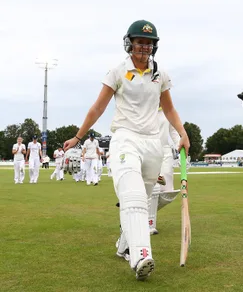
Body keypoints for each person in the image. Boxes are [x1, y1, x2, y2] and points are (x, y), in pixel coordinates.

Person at [63, 19, 190, 281]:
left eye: (148, 43)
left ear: (154, 46)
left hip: (152, 143)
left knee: (141, 201)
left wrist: (183, 133)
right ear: (129, 43)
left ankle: (124, 245)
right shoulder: (118, 72)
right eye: (140, 42)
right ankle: (141, 255)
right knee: (132, 197)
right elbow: (98, 107)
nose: (144, 47)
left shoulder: (160, 74)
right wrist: (78, 137)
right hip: (125, 138)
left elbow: (169, 109)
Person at [148, 106, 181, 234]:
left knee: (167, 190)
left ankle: (139, 212)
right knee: (153, 188)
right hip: (148, 150)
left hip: (165, 151)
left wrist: (180, 147)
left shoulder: (167, 109)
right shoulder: (146, 106)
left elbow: (173, 131)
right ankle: (149, 224)